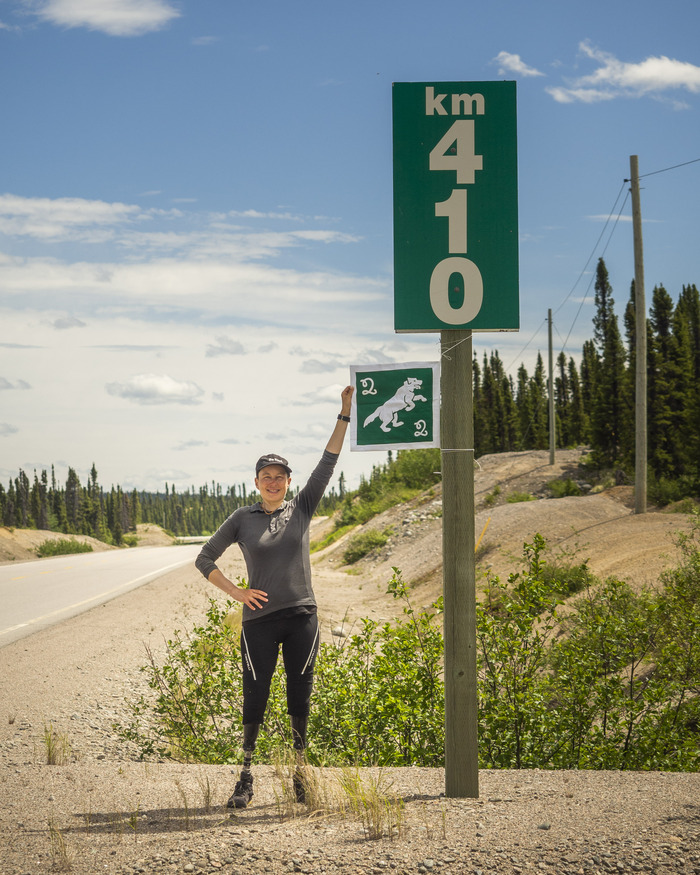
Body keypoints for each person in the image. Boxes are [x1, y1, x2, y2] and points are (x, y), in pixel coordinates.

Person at [195, 385, 354, 809]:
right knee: (255, 694)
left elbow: (328, 461)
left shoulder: (301, 507)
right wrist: (237, 592)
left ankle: (300, 773)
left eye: (279, 476)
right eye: (265, 476)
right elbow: (205, 558)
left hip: (302, 616)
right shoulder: (240, 519)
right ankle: (245, 777)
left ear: (288, 482)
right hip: (258, 622)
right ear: (256, 481)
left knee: (299, 695)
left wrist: (344, 412)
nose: (272, 481)